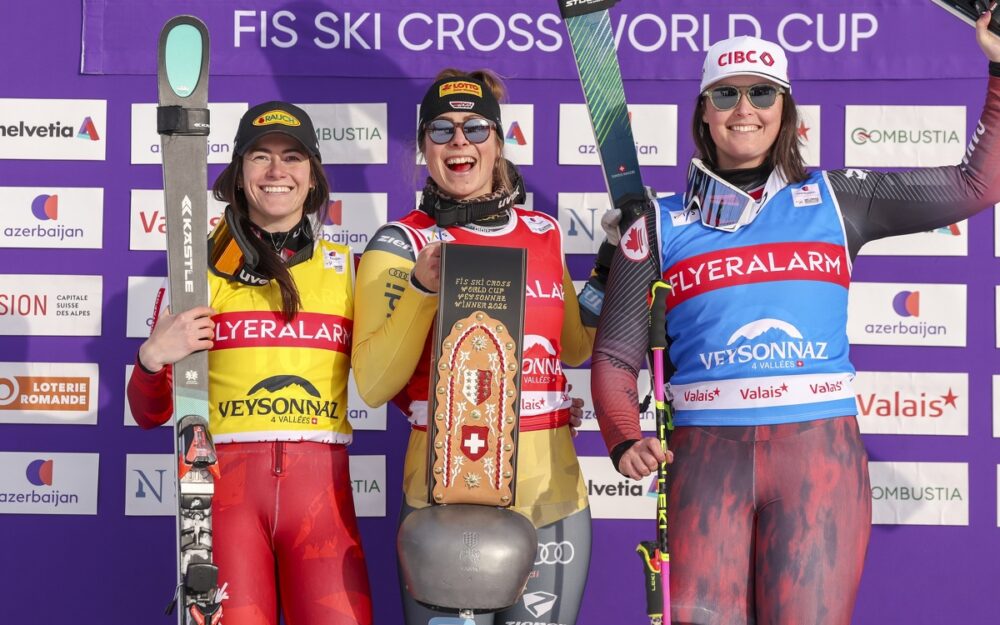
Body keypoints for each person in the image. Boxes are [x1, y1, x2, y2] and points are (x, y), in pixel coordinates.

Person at [592, 16, 1000, 625]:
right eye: (726, 94)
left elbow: (977, 184)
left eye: (762, 93)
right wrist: (624, 435)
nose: (744, 109)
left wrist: (999, 68)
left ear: (785, 110)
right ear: (703, 112)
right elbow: (614, 355)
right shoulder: (657, 222)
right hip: (704, 461)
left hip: (817, 462)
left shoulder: (837, 198)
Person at [351, 69, 613, 625]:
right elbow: (373, 384)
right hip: (446, 502)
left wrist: (614, 265)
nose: (459, 142)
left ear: (498, 141)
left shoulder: (542, 232)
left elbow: (574, 348)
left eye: (474, 128)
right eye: (441, 130)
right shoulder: (402, 242)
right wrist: (422, 289)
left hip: (553, 498)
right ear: (423, 146)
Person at [127, 101, 372, 625]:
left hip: (323, 500)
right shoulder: (196, 271)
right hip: (226, 495)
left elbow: (391, 378)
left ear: (313, 177)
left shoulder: (349, 270)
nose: (277, 170)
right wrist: (151, 359)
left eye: (293, 157)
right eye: (260, 156)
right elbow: (148, 413)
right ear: (239, 175)